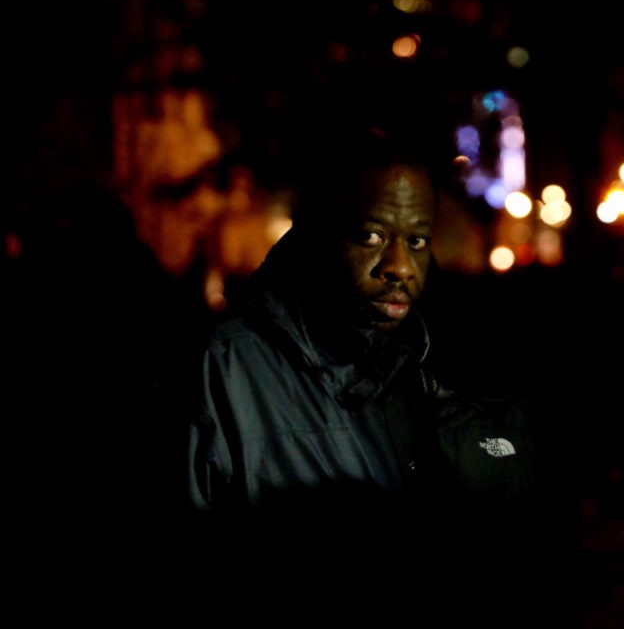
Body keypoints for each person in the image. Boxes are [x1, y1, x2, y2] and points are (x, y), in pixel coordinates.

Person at [149, 124, 569, 625]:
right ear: (316, 235)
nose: (399, 265)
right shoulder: (227, 370)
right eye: (370, 235)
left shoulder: (469, 372)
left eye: (417, 240)